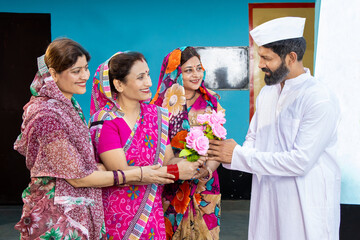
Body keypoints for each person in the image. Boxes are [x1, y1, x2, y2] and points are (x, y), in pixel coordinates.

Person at [13, 38, 175, 239]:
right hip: (56, 217)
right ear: (53, 73)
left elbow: (79, 166)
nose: (85, 76)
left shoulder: (68, 106)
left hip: (78, 210)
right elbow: (78, 178)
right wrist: (140, 174)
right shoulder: (46, 115)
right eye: (76, 71)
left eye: (86, 69)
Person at [208, 17, 341, 240]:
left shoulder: (318, 98)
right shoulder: (267, 93)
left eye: (266, 58)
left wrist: (238, 155)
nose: (260, 64)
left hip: (304, 205)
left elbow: (300, 161)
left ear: (291, 58)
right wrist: (224, 154)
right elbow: (253, 139)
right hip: (268, 200)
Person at [89, 51, 205, 239]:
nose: (149, 83)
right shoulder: (106, 121)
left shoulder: (156, 115)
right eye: (140, 77)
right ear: (119, 84)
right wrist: (176, 172)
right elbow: (122, 173)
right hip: (117, 218)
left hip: (152, 213)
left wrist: (190, 161)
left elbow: (167, 159)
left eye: (148, 74)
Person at [151, 46, 224, 239]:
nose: (196, 74)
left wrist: (207, 170)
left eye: (199, 68)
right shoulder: (159, 106)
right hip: (171, 185)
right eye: (188, 70)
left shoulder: (211, 101)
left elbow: (218, 145)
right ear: (175, 73)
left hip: (205, 185)